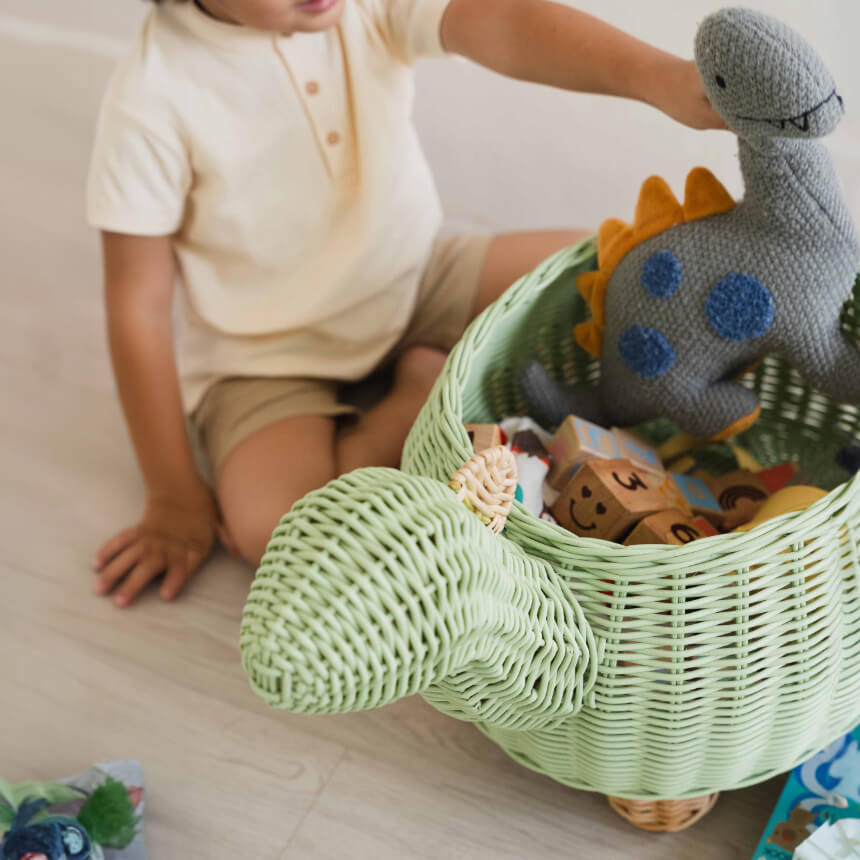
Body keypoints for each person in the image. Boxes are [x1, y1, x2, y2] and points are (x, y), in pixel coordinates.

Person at [87, 0, 724, 607]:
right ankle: (413, 399)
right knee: (282, 531)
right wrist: (173, 495)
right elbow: (137, 309)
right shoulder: (152, 95)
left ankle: (426, 379)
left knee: (621, 270)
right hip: (265, 354)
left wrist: (656, 77)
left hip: (413, 276)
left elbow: (501, 21)